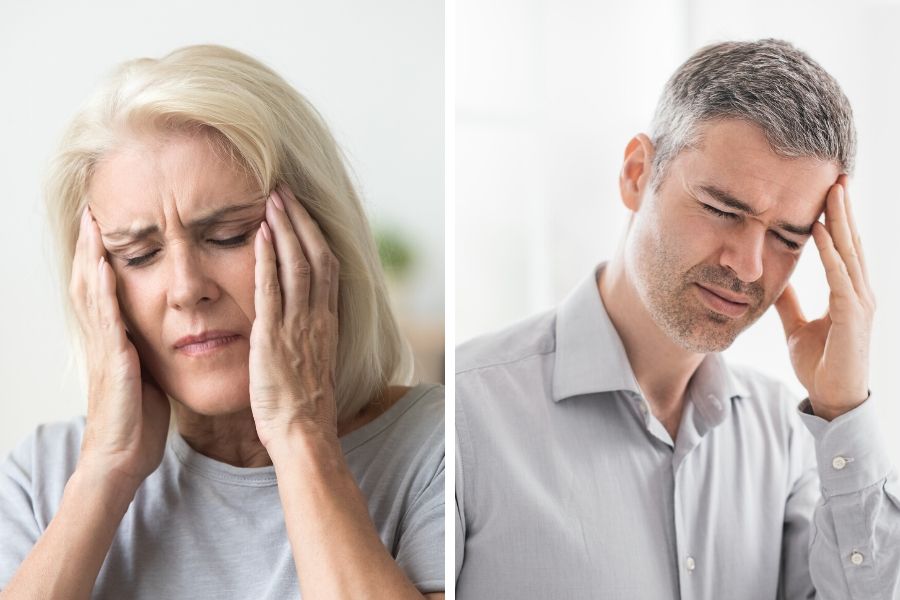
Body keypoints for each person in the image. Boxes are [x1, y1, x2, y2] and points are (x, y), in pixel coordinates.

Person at [455, 39, 899, 599]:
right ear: (637, 174)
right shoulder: (469, 414)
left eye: (788, 237)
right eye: (721, 210)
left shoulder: (786, 440)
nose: (748, 265)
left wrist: (844, 408)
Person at [0, 45, 444, 599]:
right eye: (139, 255)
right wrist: (105, 472)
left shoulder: (443, 450)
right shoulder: (43, 477)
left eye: (228, 235)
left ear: (319, 239)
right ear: (96, 282)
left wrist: (301, 434)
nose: (187, 289)